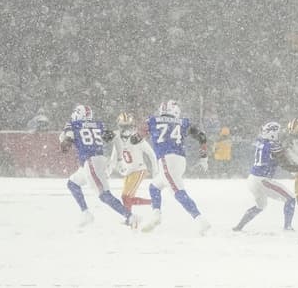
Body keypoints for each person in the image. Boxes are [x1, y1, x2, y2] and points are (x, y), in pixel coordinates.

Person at [139, 100, 210, 235]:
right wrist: (204, 157)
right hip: (180, 160)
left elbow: (135, 139)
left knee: (178, 192)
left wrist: (140, 134)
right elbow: (202, 136)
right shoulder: (183, 122)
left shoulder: (153, 120)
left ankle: (201, 220)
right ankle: (156, 215)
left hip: (166, 159)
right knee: (154, 186)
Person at [58, 104, 136, 227]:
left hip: (91, 162)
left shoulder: (73, 125)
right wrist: (120, 159)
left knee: (104, 195)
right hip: (94, 162)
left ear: (78, 113)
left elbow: (66, 144)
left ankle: (130, 216)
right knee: (72, 183)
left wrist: (63, 141)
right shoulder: (99, 125)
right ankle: (86, 213)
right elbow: (116, 138)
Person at [233, 121, 298, 232]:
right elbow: (284, 163)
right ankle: (287, 227)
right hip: (262, 180)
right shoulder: (273, 145)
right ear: (272, 133)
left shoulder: (261, 141)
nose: (279, 135)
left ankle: (239, 226)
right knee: (291, 199)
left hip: (252, 179)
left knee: (260, 206)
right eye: (277, 132)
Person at [107, 112, 156, 213]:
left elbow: (151, 154)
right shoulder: (118, 138)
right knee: (126, 198)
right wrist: (107, 172)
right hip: (128, 172)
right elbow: (114, 158)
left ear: (132, 126)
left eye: (127, 126)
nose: (125, 129)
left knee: (126, 197)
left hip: (138, 170)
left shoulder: (136, 137)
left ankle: (152, 204)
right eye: (122, 126)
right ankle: (131, 218)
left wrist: (155, 170)